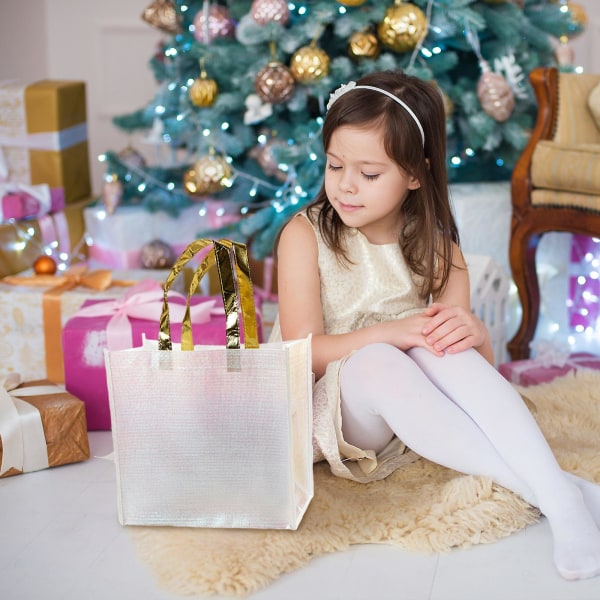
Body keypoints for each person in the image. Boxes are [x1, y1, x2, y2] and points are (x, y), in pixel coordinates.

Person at [275, 70, 600, 581]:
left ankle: (558, 496)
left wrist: (473, 331)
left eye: (369, 173)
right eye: (335, 165)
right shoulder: (305, 235)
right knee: (387, 354)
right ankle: (555, 492)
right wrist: (392, 332)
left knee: (438, 340)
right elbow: (299, 351)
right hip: (326, 411)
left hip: (413, 413)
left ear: (415, 174)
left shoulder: (440, 248)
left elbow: (472, 373)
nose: (345, 185)